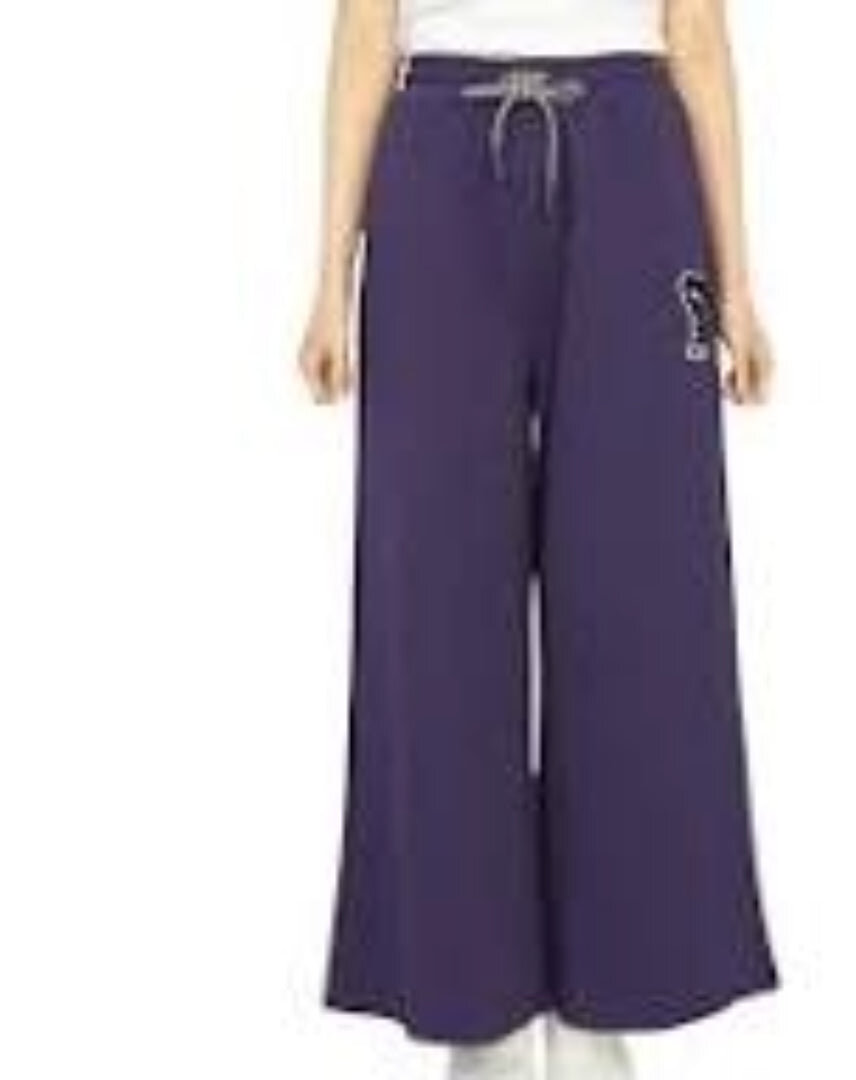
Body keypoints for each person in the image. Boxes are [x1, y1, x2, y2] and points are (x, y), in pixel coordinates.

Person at [297, 1, 779, 1076]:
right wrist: (330, 278)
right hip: (436, 165)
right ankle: (478, 1009)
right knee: (436, 600)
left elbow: (698, 40)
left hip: (635, 170)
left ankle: (612, 991)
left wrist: (737, 288)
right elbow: (365, 35)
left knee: (640, 591)